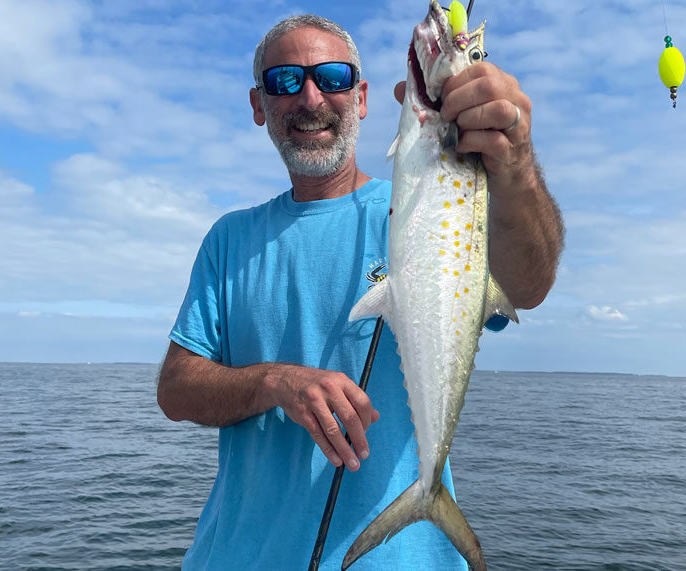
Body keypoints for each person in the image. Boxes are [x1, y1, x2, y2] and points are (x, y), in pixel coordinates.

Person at [158, 13, 563, 571]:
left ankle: (427, 503)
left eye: (332, 76)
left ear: (363, 97)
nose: (310, 97)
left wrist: (515, 165)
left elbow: (528, 284)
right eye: (284, 81)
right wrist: (275, 382)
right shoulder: (229, 239)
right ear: (259, 106)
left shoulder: (425, 213)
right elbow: (176, 390)